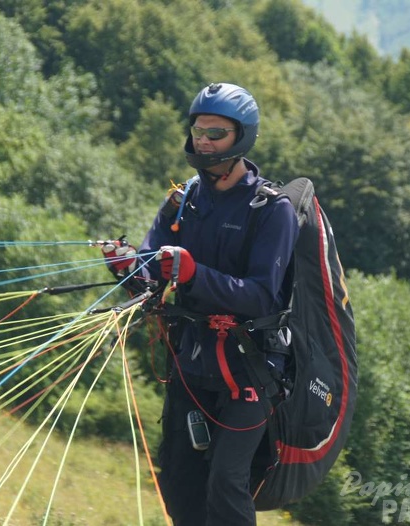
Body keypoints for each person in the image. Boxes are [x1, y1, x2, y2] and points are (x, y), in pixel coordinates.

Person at [102, 82, 299, 526]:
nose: (203, 141)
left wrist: (195, 274)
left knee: (225, 484)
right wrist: (128, 267)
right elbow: (153, 276)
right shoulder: (182, 200)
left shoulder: (271, 210)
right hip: (191, 362)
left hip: (250, 369)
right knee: (178, 481)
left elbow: (263, 295)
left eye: (216, 133)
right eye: (198, 131)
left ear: (241, 137)